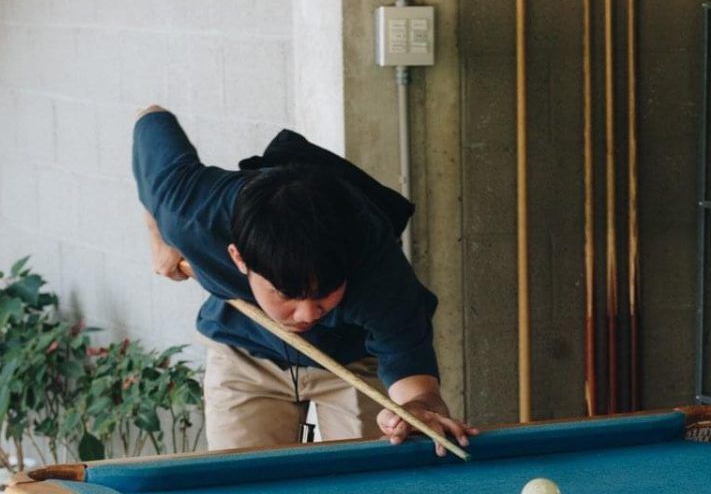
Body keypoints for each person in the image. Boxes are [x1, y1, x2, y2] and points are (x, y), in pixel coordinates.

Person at [132, 107, 473, 455]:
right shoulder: (192, 213)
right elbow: (152, 119)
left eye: (325, 294)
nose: (306, 315)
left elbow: (413, 374)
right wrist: (158, 237)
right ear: (239, 258)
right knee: (250, 489)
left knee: (374, 487)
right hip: (246, 352)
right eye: (287, 295)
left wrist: (418, 409)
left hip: (350, 358)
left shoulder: (377, 267)